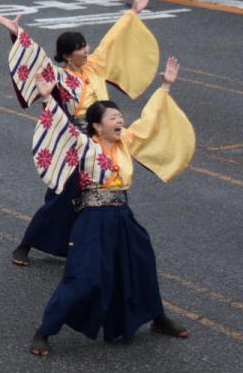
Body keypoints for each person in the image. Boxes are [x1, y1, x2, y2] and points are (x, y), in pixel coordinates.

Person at [27, 57, 194, 357]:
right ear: (96, 125)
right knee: (83, 277)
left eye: (120, 116)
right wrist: (47, 98)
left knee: (141, 265)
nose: (120, 121)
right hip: (92, 220)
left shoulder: (125, 141)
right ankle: (45, 330)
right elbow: (63, 130)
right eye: (113, 118)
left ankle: (157, 318)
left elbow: (149, 119)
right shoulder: (85, 145)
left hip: (123, 218)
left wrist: (165, 86)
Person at [0, 0, 158, 267]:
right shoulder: (58, 76)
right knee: (63, 195)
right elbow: (35, 60)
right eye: (81, 48)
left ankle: (100, 247)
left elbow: (112, 40)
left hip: (101, 140)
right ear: (68, 55)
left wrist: (133, 14)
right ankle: (26, 243)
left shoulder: (95, 67)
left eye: (86, 45)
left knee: (107, 195)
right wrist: (17, 34)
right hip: (72, 141)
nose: (87, 50)